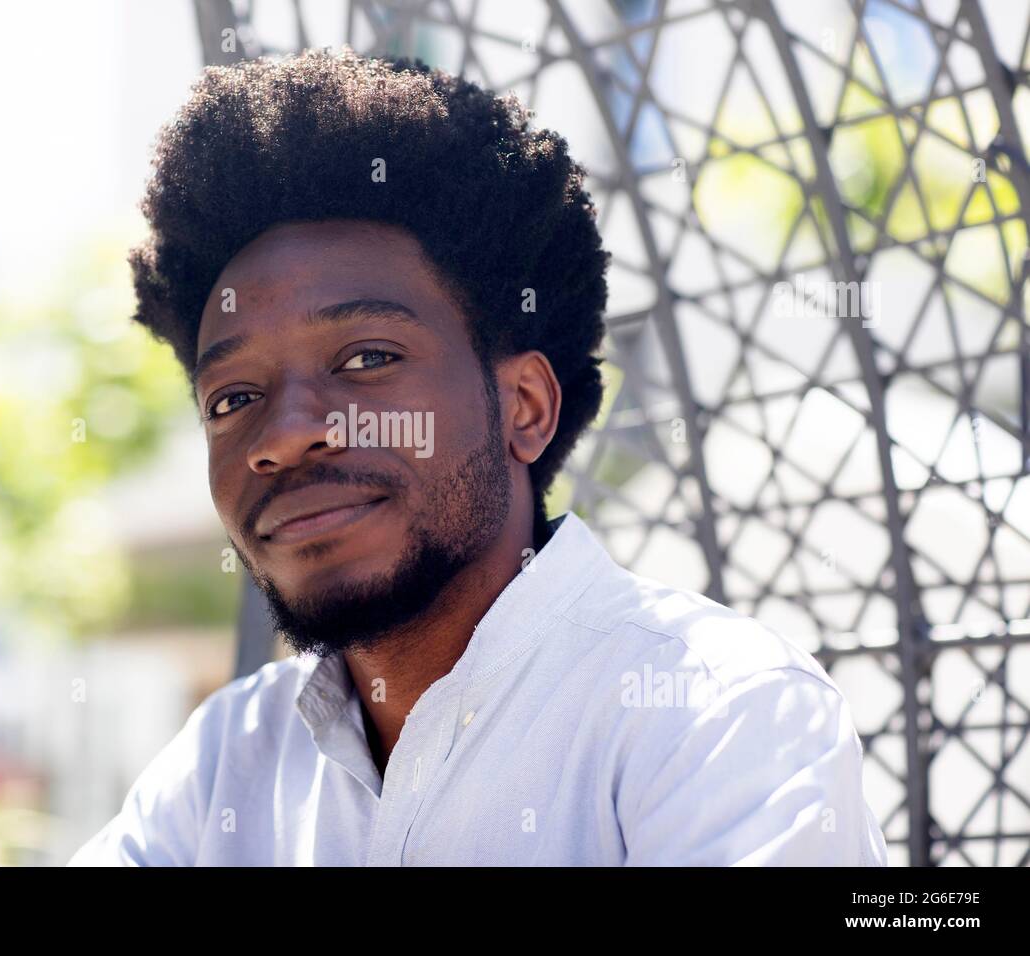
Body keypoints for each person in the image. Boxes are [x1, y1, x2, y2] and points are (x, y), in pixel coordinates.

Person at [70, 47, 887, 866]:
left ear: (524, 409)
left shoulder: (717, 714)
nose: (283, 435)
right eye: (232, 400)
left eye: (365, 359)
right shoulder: (222, 769)